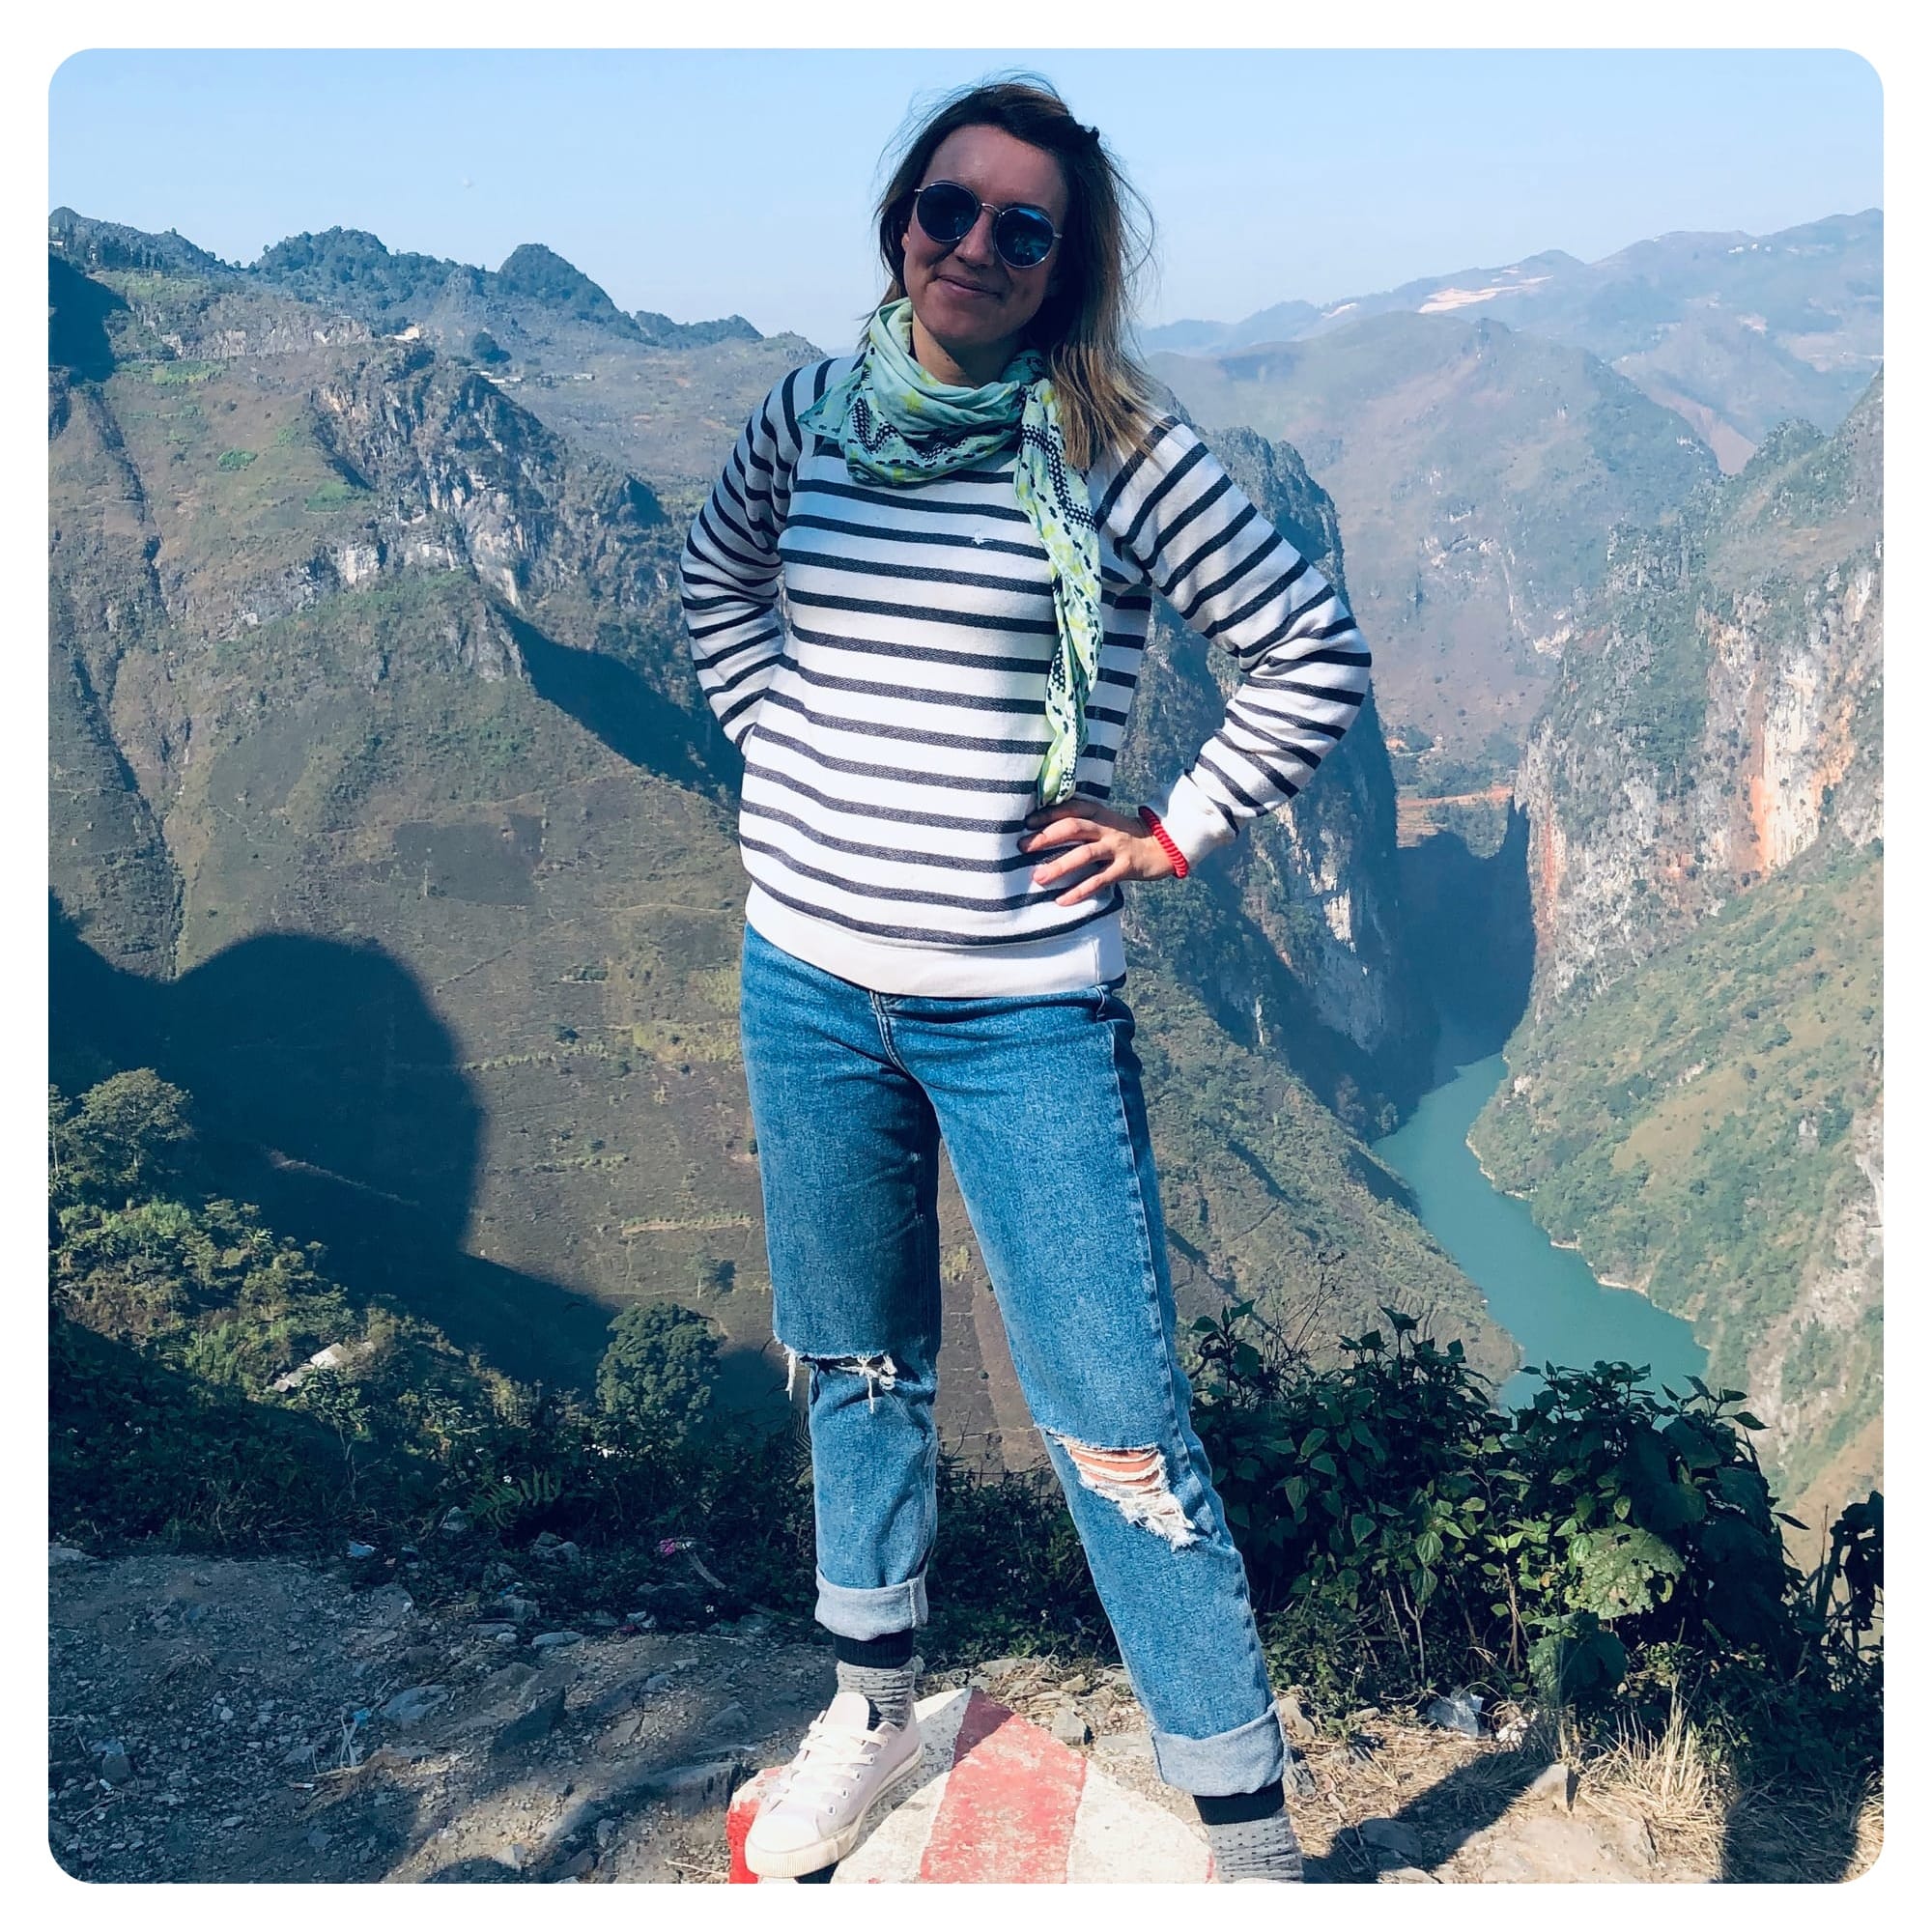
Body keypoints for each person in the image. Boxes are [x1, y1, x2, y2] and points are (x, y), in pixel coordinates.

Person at [679, 75, 1370, 1884]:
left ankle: (1250, 1841)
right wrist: (779, 747)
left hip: (1022, 1010)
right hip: (805, 979)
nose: (974, 244)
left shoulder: (1119, 453)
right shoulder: (811, 414)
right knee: (854, 1361)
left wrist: (1176, 827)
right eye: (948, 206)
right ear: (900, 220)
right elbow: (717, 582)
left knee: (1118, 1427)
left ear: (1067, 268)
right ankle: (875, 1703)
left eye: (1022, 226)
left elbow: (1307, 650)